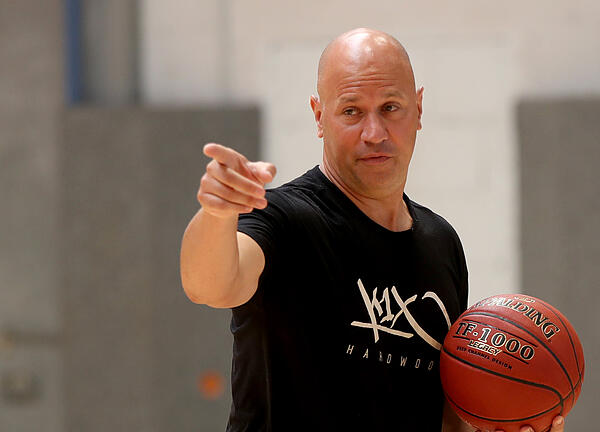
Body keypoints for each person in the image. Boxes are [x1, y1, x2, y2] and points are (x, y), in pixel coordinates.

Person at [180, 28, 566, 432]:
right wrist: (217, 214)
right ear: (318, 116)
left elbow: (447, 419)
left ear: (418, 109)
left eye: (390, 107)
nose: (374, 133)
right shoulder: (283, 219)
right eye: (351, 111)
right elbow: (209, 284)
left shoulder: (441, 242)